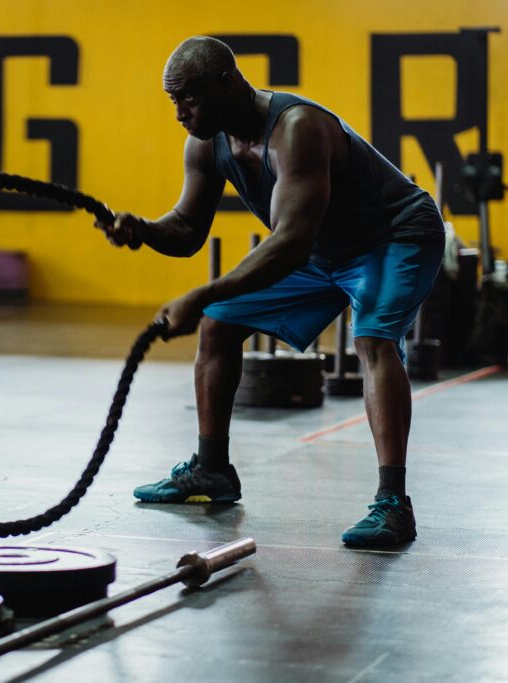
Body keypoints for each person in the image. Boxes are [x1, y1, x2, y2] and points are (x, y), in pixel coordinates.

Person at [95, 36, 444, 548]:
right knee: (219, 320)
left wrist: (197, 294)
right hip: (322, 250)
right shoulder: (205, 143)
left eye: (188, 97)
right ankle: (211, 471)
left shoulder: (297, 129)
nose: (179, 113)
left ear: (228, 83)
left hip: (392, 235)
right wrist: (143, 230)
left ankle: (394, 503)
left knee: (372, 340)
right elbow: (189, 230)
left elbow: (290, 244)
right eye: (173, 100)